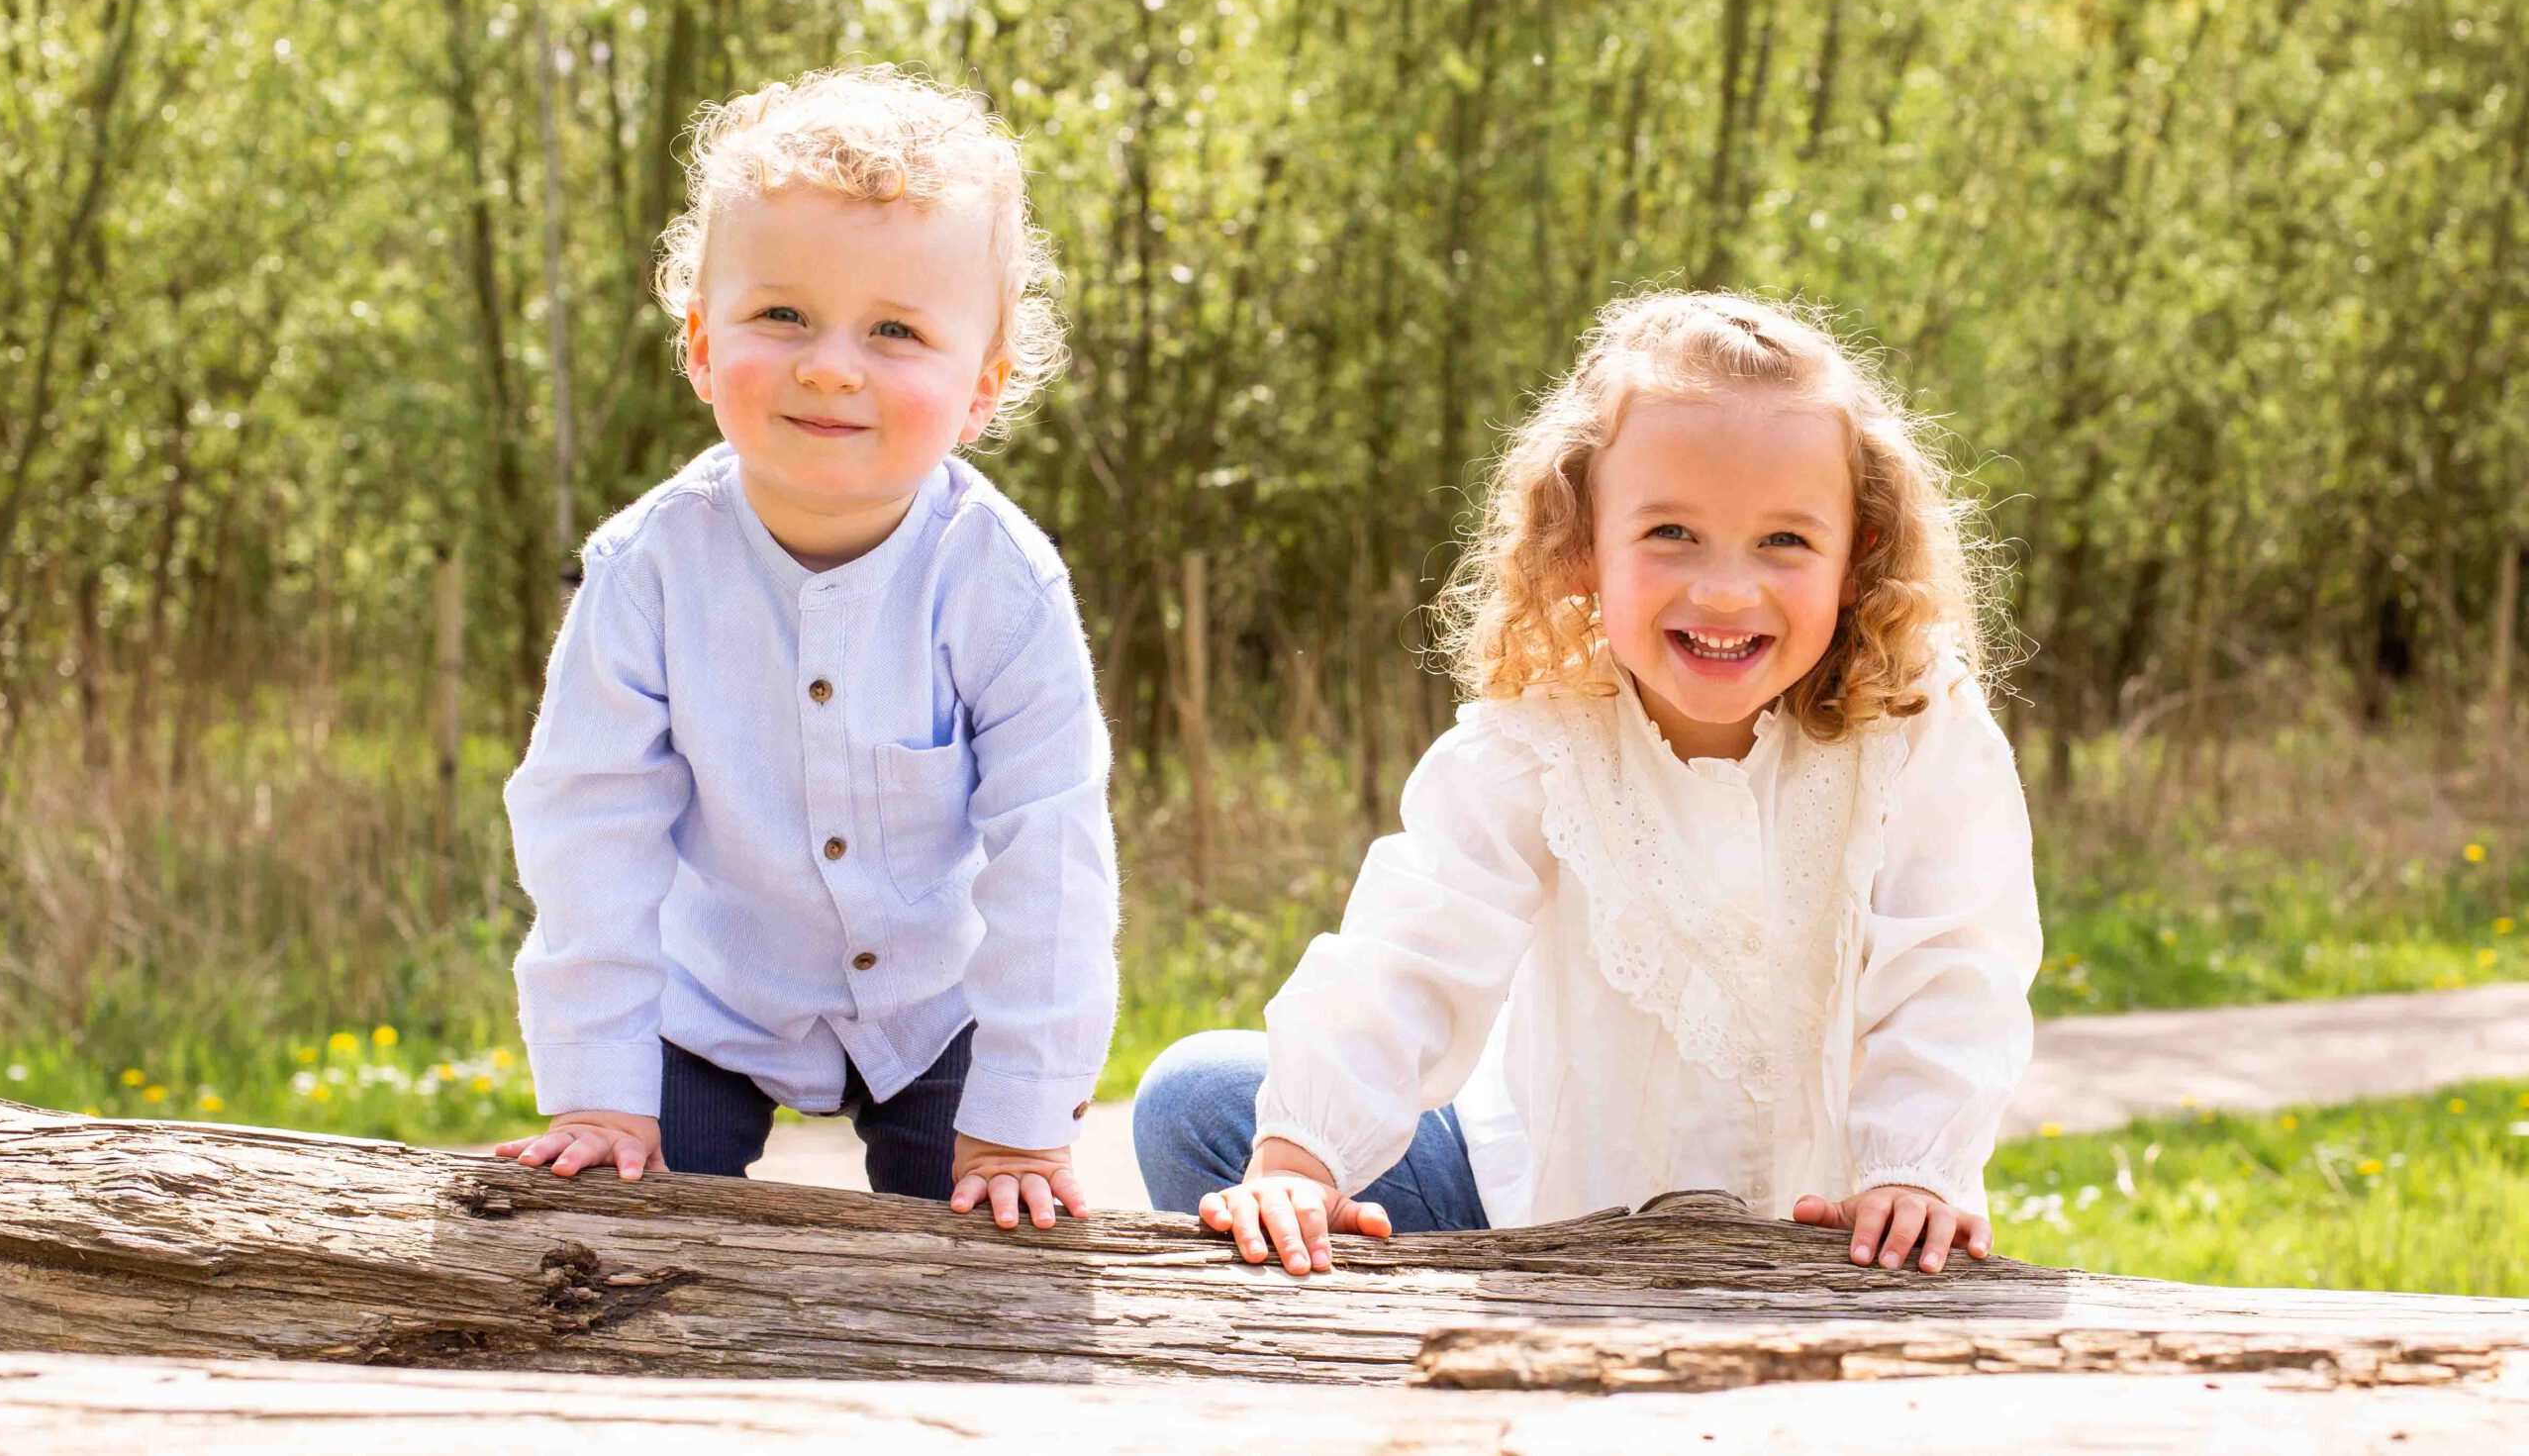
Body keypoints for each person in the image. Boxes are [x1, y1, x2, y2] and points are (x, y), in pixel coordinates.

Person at [1134, 290, 2040, 1276]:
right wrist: (1299, 1159)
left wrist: (1912, 1168)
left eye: (1784, 541)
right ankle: (1387, 1376)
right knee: (1197, 1099)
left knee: (1893, 1214)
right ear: (1579, 549)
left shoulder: (1915, 724)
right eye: (1669, 534)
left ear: (1858, 556)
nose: (1726, 589)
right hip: (1538, 1209)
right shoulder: (1538, 741)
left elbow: (1957, 965)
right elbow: (1410, 950)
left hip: (1829, 1220)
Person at [496, 65, 1119, 1231]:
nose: (830, 364)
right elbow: (590, 828)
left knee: (997, 1239)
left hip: (938, 1004)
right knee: (614, 1226)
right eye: (781, 315)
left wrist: (1022, 1112)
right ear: (698, 343)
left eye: (895, 330)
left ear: (980, 391)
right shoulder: (648, 571)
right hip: (709, 997)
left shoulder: (1003, 584)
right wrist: (598, 1092)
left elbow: (1054, 855)